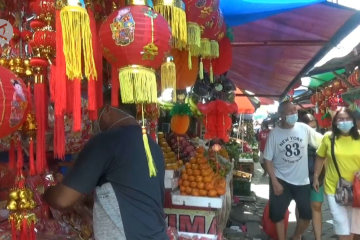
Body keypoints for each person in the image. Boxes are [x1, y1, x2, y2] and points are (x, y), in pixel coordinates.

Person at [43, 89, 168, 240]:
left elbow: (61, 199)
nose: (95, 119)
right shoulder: (152, 146)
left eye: (98, 112)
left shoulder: (105, 141)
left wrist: (45, 192)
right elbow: (131, 193)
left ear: (107, 109)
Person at [263, 101, 322, 240]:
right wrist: (274, 182)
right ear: (281, 115)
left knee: (307, 214)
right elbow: (267, 160)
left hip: (302, 181)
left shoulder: (304, 128)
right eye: (289, 111)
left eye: (294, 110)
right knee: (278, 214)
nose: (293, 113)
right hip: (281, 179)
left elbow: (322, 142)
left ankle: (296, 235)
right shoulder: (274, 134)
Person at [313, 107, 360, 240]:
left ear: (353, 121)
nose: (344, 122)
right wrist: (316, 176)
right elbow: (320, 156)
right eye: (340, 119)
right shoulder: (329, 138)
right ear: (335, 122)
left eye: (347, 119)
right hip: (334, 187)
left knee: (353, 225)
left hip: (357, 189)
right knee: (341, 223)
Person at [295, 113, 325, 240]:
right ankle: (299, 233)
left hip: (318, 177)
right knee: (301, 206)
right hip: (300, 178)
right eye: (309, 128)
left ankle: (318, 237)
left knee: (317, 206)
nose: (312, 130)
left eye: (314, 127)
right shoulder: (296, 139)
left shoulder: (321, 139)